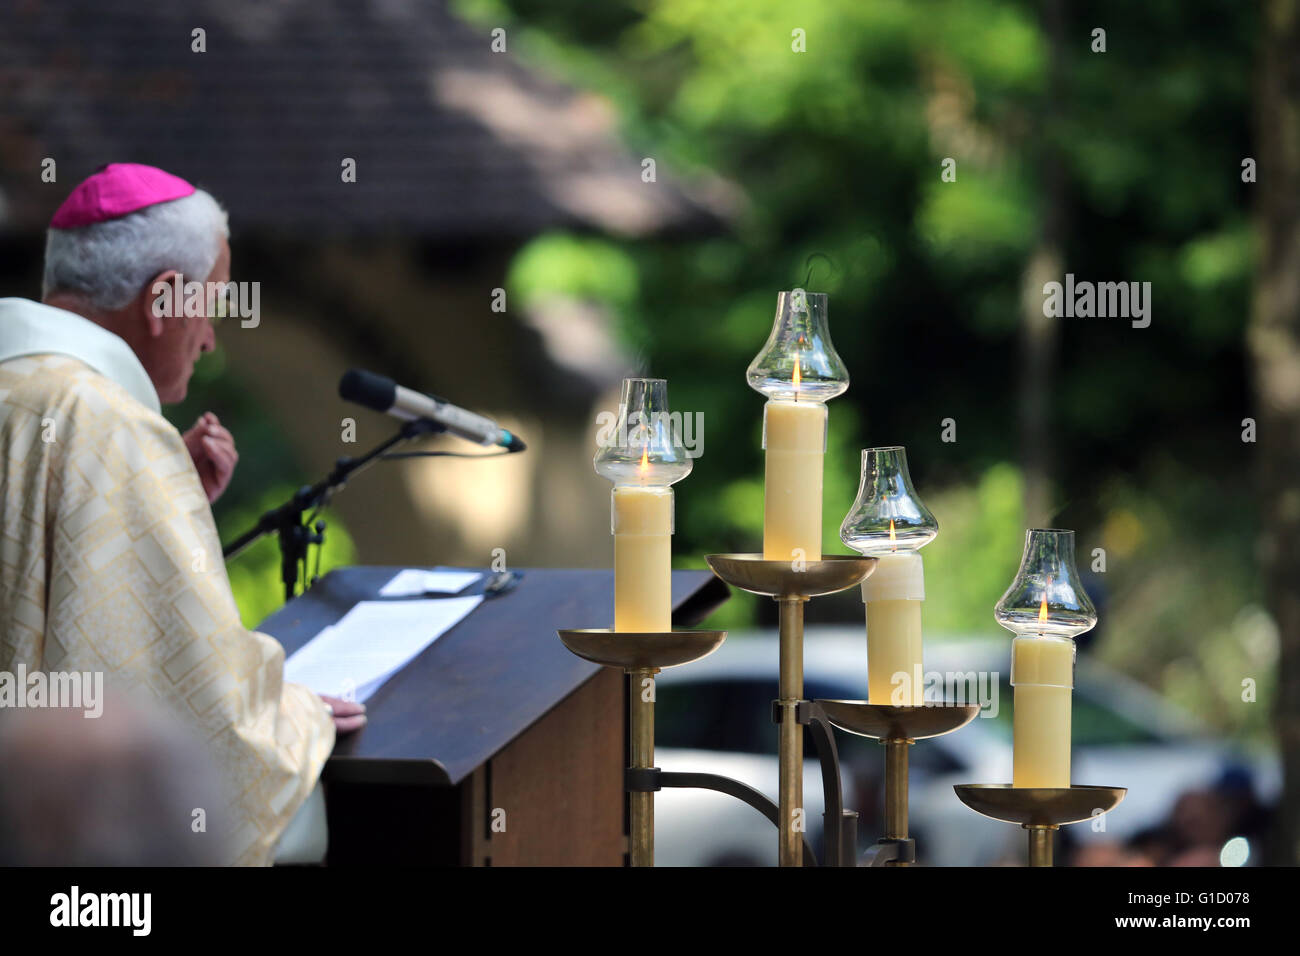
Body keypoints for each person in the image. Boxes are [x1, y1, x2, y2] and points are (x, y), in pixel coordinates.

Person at [0, 163, 364, 865]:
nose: (211, 339)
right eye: (212, 305)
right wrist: (291, 715)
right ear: (164, 298)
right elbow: (181, 697)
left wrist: (167, 506)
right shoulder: (107, 423)